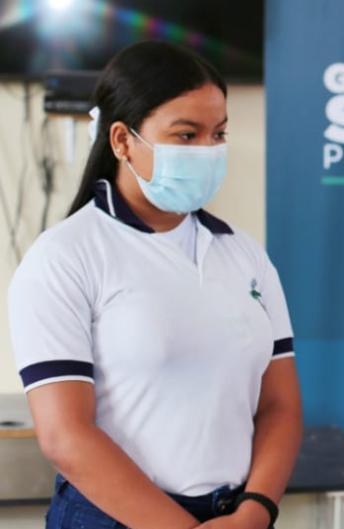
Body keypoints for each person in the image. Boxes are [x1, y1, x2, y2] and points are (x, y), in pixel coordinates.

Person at [8, 41, 302, 528]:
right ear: (122, 141)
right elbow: (65, 435)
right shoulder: (65, 256)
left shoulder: (244, 254)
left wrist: (255, 511)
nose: (208, 151)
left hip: (232, 516)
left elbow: (280, 405)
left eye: (219, 133)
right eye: (186, 136)